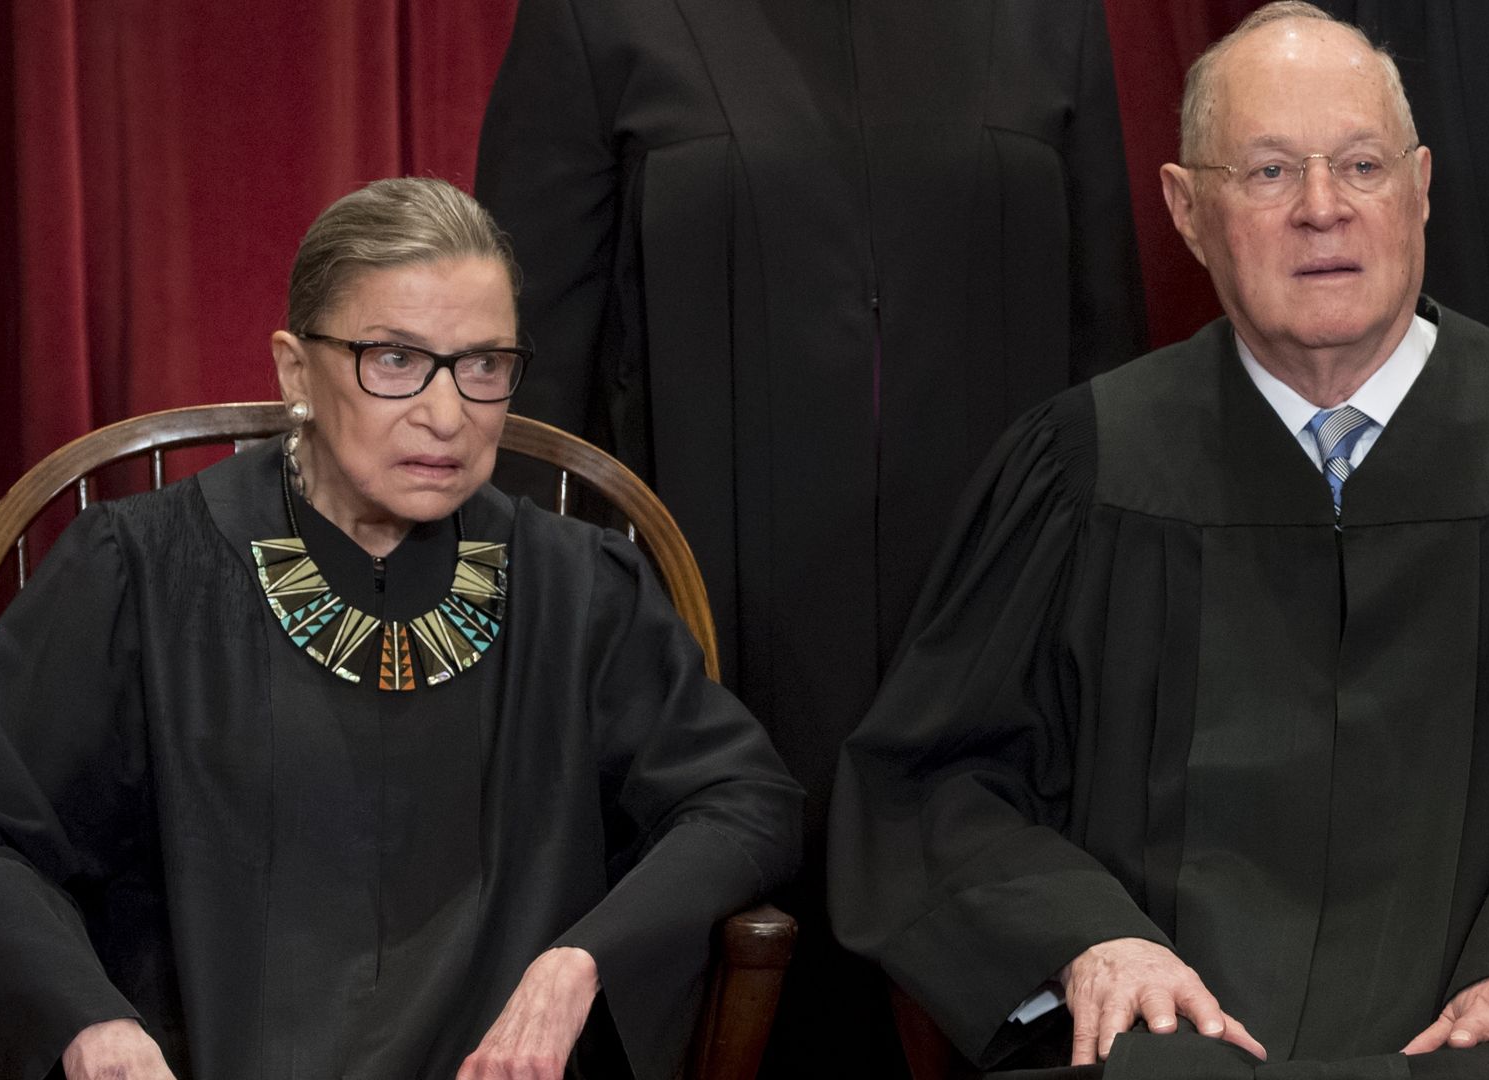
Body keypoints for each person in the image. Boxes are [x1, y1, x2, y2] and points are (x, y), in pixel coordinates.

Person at [827, 6, 1489, 1080]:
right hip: (1169, 1039)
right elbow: (936, 782)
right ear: (1187, 211)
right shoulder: (1083, 470)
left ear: (1421, 189)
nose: (1323, 210)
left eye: (1362, 166)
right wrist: (1088, 940)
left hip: (1488, 1039)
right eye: (1271, 173)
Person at [0, 177, 802, 1080]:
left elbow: (745, 801)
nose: (448, 415)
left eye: (484, 365)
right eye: (395, 360)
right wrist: (91, 1026)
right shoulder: (139, 571)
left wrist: (581, 964)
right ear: (296, 369)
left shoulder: (581, 591)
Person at [473, 3, 1145, 1071]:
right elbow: (528, 395)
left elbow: (1102, 347)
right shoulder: (599, 19)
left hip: (995, 645)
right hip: (709, 654)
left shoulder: (1044, 19)